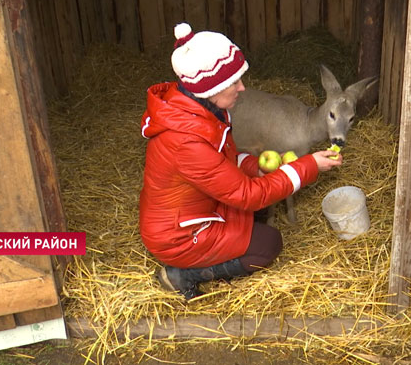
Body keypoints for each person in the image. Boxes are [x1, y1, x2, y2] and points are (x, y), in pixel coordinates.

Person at [139, 22, 342, 300]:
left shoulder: (201, 111)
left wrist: (254, 166)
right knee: (268, 244)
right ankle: (183, 274)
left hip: (196, 209)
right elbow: (247, 196)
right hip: (180, 235)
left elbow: (224, 160)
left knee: (259, 209)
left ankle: (211, 251)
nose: (242, 88)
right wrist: (307, 166)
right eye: (233, 81)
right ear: (211, 86)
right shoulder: (186, 141)